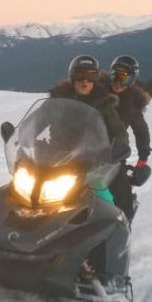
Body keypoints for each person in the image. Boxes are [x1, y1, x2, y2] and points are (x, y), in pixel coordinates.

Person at [49, 55, 130, 204]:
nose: (85, 80)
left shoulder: (104, 102)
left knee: (109, 200)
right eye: (79, 75)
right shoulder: (57, 100)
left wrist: (121, 144)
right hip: (58, 159)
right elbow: (39, 120)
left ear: (96, 79)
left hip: (93, 162)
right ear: (72, 77)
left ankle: (122, 221)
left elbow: (119, 129)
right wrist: (22, 138)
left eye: (90, 75)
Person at [103, 55, 152, 222]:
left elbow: (141, 130)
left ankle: (124, 228)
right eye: (115, 76)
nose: (118, 81)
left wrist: (143, 157)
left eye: (124, 78)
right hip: (83, 150)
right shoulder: (97, 92)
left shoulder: (131, 104)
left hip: (113, 155)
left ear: (131, 80)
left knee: (121, 191)